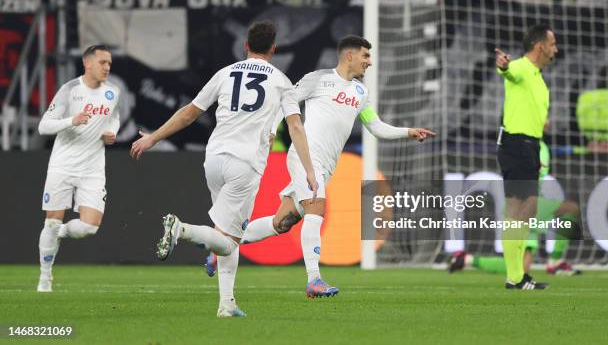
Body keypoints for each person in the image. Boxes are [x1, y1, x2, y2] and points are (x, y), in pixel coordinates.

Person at [206, 35, 435, 298]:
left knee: (282, 222)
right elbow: (284, 104)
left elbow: (376, 126)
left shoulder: (361, 92)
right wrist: (270, 130)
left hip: (327, 165)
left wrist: (408, 132)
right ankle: (314, 279)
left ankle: (222, 244)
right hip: (307, 157)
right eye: (365, 56)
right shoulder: (318, 79)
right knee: (317, 207)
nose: (369, 62)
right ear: (349, 56)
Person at [130, 21, 318, 317]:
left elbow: (189, 113)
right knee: (231, 243)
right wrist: (309, 170)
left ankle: (226, 304)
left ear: (246, 46)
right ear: (273, 49)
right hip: (244, 164)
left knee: (228, 235)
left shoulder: (225, 73)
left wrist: (153, 137)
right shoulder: (281, 80)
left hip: (214, 158)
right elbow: (295, 125)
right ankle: (182, 229)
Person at [37, 45, 120, 292]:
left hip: (93, 168)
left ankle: (57, 232)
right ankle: (45, 278)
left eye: (109, 63)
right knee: (50, 221)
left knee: (89, 228)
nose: (107, 67)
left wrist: (112, 132)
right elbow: (43, 126)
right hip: (62, 166)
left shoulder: (112, 92)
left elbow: (113, 117)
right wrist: (71, 120)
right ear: (87, 63)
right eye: (103, 62)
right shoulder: (70, 90)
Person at [449, 141, 582, 276]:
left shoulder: (541, 147)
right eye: (545, 119)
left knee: (522, 268)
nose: (547, 122)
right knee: (571, 209)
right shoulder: (524, 143)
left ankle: (468, 259)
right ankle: (555, 261)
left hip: (529, 203)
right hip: (524, 203)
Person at [495, 24, 558, 290]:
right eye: (553, 44)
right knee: (518, 211)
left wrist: (537, 150)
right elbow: (508, 71)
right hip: (517, 144)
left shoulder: (538, 77)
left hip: (529, 146)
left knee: (524, 211)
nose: (556, 49)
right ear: (540, 46)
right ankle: (515, 277)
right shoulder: (521, 67)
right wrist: (504, 65)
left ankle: (518, 275)